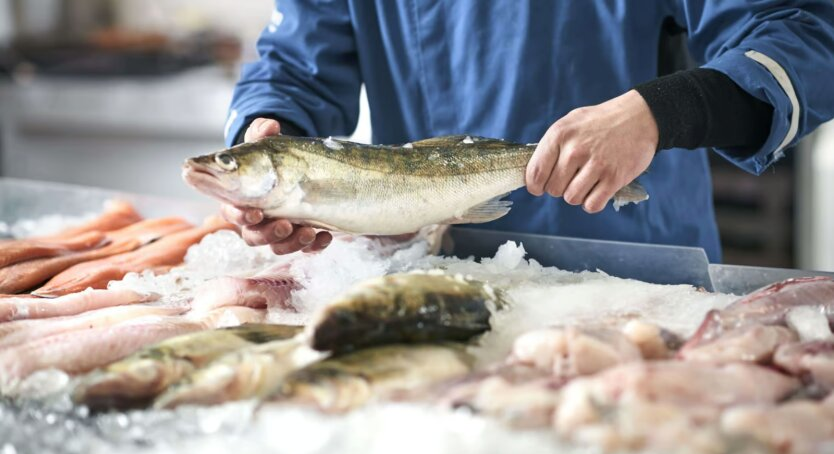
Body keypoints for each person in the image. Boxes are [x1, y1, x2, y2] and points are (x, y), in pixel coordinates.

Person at [220, 1, 834, 261]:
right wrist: (272, 143)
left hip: (633, 269)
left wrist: (659, 112)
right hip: (431, 267)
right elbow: (294, 66)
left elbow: (798, 33)